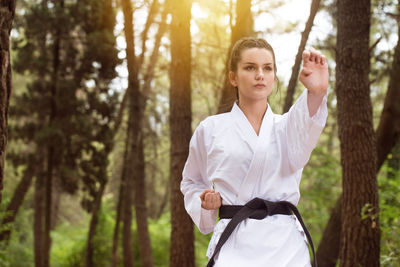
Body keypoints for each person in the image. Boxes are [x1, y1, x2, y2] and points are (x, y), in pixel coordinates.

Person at [180, 37, 328, 267]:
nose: (260, 74)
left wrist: (317, 92)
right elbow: (191, 182)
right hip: (234, 243)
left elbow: (307, 121)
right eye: (250, 67)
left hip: (286, 248)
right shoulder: (210, 129)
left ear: (273, 76)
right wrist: (206, 204)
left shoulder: (287, 127)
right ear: (233, 77)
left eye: (267, 68)